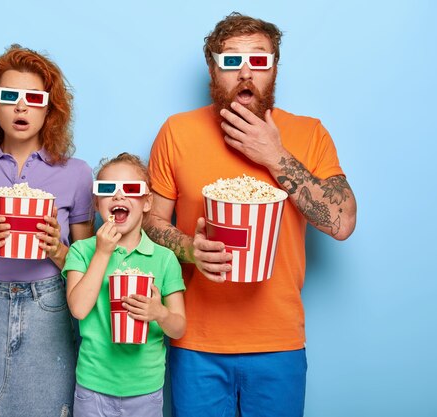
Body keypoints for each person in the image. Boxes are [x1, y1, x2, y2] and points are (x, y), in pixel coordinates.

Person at [144, 12, 357, 417]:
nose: (246, 73)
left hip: (278, 342)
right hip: (197, 342)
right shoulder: (177, 131)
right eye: (231, 61)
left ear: (275, 67)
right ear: (212, 68)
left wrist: (274, 155)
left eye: (259, 61)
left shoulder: (309, 134)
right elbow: (151, 222)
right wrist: (189, 248)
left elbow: (342, 222)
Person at [0, 44, 94, 417]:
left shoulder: (76, 174)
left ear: (49, 107)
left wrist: (57, 248)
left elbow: (89, 272)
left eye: (34, 98)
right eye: (9, 96)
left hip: (49, 308)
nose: (21, 107)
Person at [62, 153, 186, 417]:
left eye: (131, 189)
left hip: (146, 389)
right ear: (97, 202)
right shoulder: (82, 252)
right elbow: (79, 309)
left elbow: (178, 327)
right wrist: (102, 253)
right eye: (107, 189)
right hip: (93, 386)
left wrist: (159, 313)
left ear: (147, 202)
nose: (119, 196)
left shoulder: (165, 259)